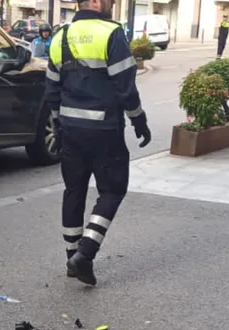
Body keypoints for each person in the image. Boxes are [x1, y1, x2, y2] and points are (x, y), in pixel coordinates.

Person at [46, 0, 150, 286]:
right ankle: (85, 254)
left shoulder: (59, 36)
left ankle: (71, 257)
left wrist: (58, 126)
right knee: (113, 189)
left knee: (74, 189)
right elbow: (126, 87)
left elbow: (52, 90)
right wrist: (139, 120)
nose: (113, 3)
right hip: (104, 129)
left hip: (70, 128)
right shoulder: (111, 34)